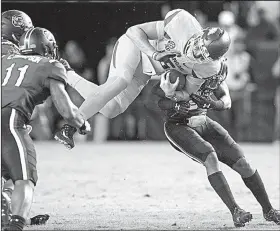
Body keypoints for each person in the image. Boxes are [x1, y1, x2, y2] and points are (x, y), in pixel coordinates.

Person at [54, 9, 232, 149]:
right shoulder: (182, 22)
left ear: (213, 60)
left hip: (147, 71)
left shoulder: (209, 69)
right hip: (137, 48)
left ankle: (68, 74)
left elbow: (185, 93)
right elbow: (133, 31)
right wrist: (154, 53)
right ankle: (70, 126)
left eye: (202, 55)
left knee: (110, 109)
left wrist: (171, 93)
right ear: (201, 33)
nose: (195, 53)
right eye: (198, 46)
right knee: (120, 81)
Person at [153, 68, 280, 227]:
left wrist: (213, 103)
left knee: (243, 164)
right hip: (178, 125)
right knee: (210, 156)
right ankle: (235, 211)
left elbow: (226, 101)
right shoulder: (179, 69)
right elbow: (156, 98)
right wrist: (174, 105)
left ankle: (269, 210)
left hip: (203, 120)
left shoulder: (212, 70)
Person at [1, 27, 90, 231]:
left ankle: (9, 214)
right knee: (24, 179)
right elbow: (67, 111)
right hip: (9, 119)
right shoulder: (49, 64)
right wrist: (81, 123)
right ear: (47, 47)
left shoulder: (5, 59)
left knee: (6, 177)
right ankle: (15, 224)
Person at [1, 10, 50, 227]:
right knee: (18, 173)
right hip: (7, 114)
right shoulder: (13, 54)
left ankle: (13, 212)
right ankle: (13, 215)